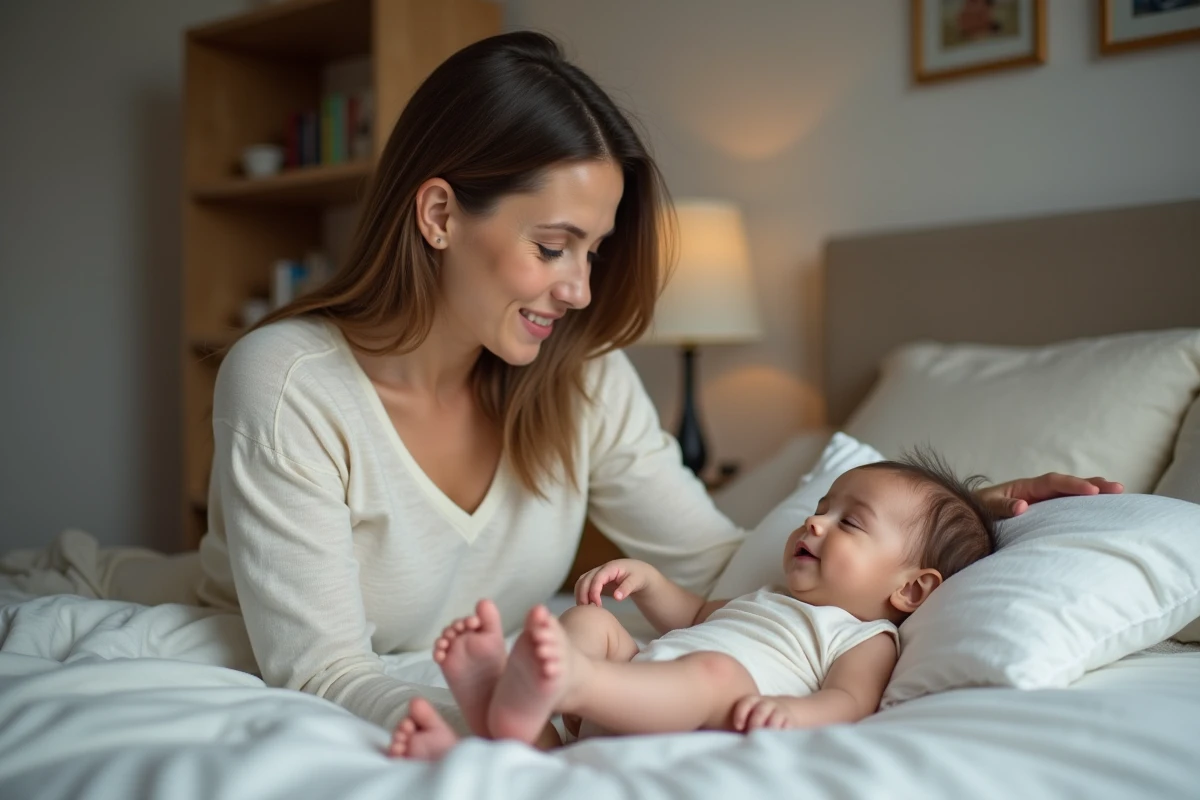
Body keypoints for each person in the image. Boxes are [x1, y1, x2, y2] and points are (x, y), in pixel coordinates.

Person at [188, 30, 1122, 736]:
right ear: (438, 213)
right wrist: (499, 727)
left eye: (592, 251)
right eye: (553, 247)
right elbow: (319, 668)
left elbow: (724, 567)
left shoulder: (577, 379)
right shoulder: (288, 383)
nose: (582, 290)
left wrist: (970, 509)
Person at [389, 453, 996, 758]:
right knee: (594, 623)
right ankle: (522, 720)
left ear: (911, 589)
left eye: (849, 522)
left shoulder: (862, 637)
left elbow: (849, 702)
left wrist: (790, 713)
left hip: (691, 710)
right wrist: (650, 582)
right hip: (634, 691)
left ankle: (547, 694)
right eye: (822, 507)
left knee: (718, 672)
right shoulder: (771, 598)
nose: (815, 521)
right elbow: (696, 615)